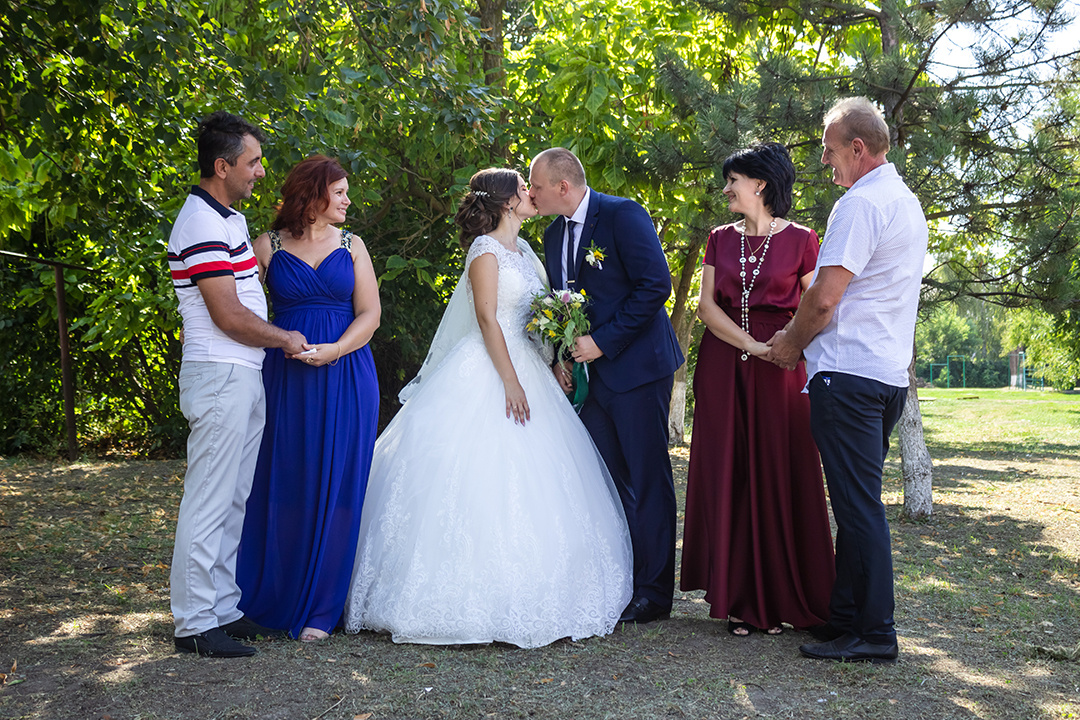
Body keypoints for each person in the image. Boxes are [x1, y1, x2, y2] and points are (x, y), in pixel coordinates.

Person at [343, 168, 632, 648]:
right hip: (489, 369)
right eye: (523, 187)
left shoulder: (527, 253)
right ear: (505, 201)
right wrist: (511, 382)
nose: (530, 192)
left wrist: (553, 360)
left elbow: (535, 320)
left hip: (530, 367)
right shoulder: (485, 250)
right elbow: (486, 319)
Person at [766, 97, 928, 663]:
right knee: (857, 503)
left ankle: (877, 632)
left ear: (858, 149)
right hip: (884, 377)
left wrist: (790, 344)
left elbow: (824, 298)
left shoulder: (860, 204)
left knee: (859, 508)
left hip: (850, 375)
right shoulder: (904, 201)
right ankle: (844, 618)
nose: (825, 162)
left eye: (830, 151)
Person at [679, 143, 835, 637]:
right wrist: (749, 344)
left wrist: (784, 347)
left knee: (780, 469)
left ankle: (787, 596)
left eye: (734, 180)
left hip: (782, 365)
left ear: (760, 184)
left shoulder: (804, 240)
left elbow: (819, 305)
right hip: (725, 362)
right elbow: (706, 306)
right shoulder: (718, 239)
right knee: (731, 473)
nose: (726, 189)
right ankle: (740, 600)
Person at [167, 111, 307, 658]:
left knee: (234, 497)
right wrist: (284, 337)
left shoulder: (228, 219)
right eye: (253, 162)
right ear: (222, 166)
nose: (261, 172)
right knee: (210, 497)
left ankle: (222, 607)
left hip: (242, 372)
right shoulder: (200, 222)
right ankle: (195, 622)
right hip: (219, 372)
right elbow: (226, 315)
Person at [529, 148, 684, 625]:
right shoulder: (553, 234)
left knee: (647, 478)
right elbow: (563, 304)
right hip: (589, 380)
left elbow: (655, 285)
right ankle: (624, 580)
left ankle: (654, 594)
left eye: (536, 186)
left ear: (562, 186)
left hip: (638, 371)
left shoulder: (622, 215)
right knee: (609, 481)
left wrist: (602, 342)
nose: (530, 194)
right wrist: (563, 356)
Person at [235, 155, 381, 643]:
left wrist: (336, 350)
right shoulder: (267, 246)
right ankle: (275, 594)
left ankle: (322, 606)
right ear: (313, 196)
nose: (347, 201)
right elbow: (241, 310)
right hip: (285, 375)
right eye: (339, 193)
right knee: (285, 477)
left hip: (347, 371)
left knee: (339, 482)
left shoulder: (353, 245)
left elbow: (370, 314)